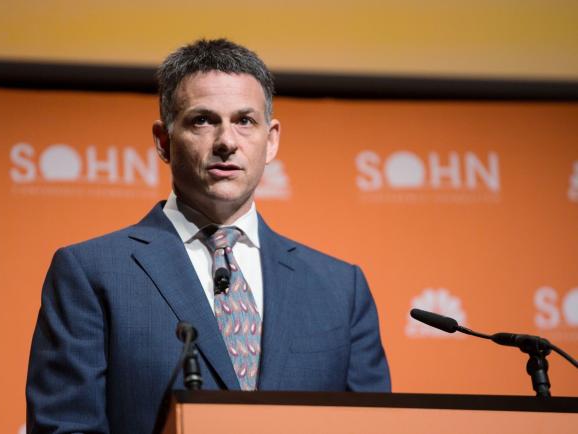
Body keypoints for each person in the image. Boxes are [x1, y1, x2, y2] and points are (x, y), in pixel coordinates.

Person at [26, 38, 390, 434]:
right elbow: (65, 426)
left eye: (245, 121)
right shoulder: (93, 273)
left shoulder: (339, 288)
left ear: (271, 141)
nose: (226, 142)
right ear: (164, 141)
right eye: (203, 120)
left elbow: (371, 424)